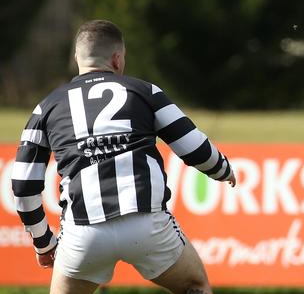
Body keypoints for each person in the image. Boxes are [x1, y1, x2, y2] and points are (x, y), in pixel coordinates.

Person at [12, 20, 236, 294]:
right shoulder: (145, 91)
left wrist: (44, 243)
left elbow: (23, 187)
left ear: (77, 59)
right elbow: (194, 148)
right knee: (195, 286)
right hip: (146, 222)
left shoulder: (45, 107)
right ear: (117, 59)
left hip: (83, 231)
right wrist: (223, 170)